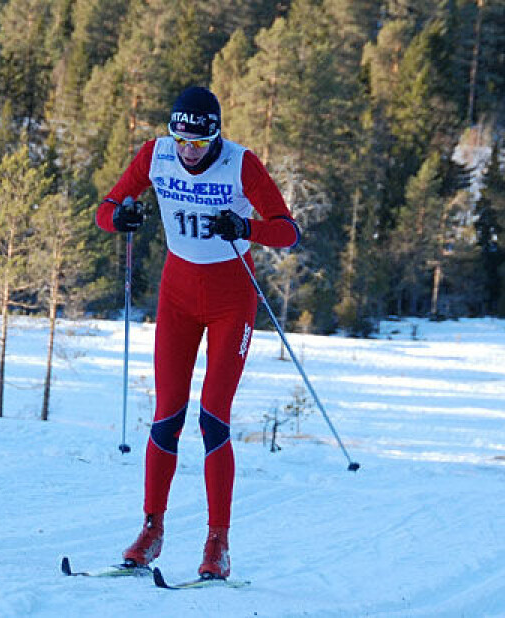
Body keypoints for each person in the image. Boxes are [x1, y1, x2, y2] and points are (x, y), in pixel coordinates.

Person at [95, 86, 299, 578]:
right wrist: (118, 216)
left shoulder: (240, 163)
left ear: (216, 137)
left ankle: (218, 543)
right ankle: (151, 529)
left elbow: (287, 231)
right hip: (178, 295)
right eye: (181, 141)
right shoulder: (155, 154)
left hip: (232, 301)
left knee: (213, 419)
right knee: (166, 415)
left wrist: (245, 227)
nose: (188, 152)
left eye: (199, 144)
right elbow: (107, 208)